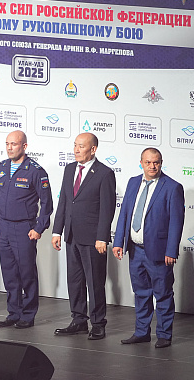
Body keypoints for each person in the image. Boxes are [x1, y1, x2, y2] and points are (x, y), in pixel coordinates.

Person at [112, 148, 184, 348]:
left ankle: (164, 335)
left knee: (163, 294)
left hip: (159, 252)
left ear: (161, 163)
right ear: (141, 163)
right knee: (141, 293)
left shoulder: (172, 187)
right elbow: (125, 214)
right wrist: (118, 241)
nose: (153, 166)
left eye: (156, 162)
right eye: (148, 162)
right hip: (135, 250)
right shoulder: (133, 182)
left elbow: (176, 222)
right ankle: (142, 332)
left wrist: (171, 250)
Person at [51, 132, 115, 340]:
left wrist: (102, 237)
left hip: (93, 239)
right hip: (71, 235)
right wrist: (57, 230)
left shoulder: (104, 173)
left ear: (93, 149)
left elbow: (107, 209)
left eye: (81, 146)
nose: (76, 150)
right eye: (75, 146)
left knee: (95, 282)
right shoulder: (69, 169)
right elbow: (64, 202)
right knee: (75, 281)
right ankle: (78, 320)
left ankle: (98, 324)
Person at [0, 130, 53, 329]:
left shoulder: (36, 171)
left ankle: (27, 315)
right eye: (7, 144)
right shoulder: (1, 167)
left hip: (24, 228)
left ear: (24, 146)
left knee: (27, 273)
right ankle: (14, 313)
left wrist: (39, 228)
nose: (9, 148)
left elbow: (47, 204)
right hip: (4, 227)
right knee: (9, 273)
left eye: (14, 144)